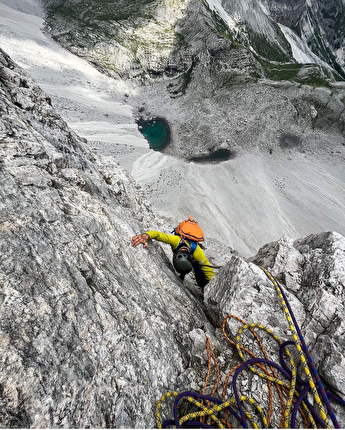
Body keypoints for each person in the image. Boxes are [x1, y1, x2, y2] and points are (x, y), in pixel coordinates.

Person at [131, 229, 215, 288]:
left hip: (194, 257)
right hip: (189, 256)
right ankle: (183, 275)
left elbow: (208, 269)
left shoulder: (197, 251)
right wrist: (145, 236)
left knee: (201, 282)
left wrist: (212, 288)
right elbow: (157, 234)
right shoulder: (176, 240)